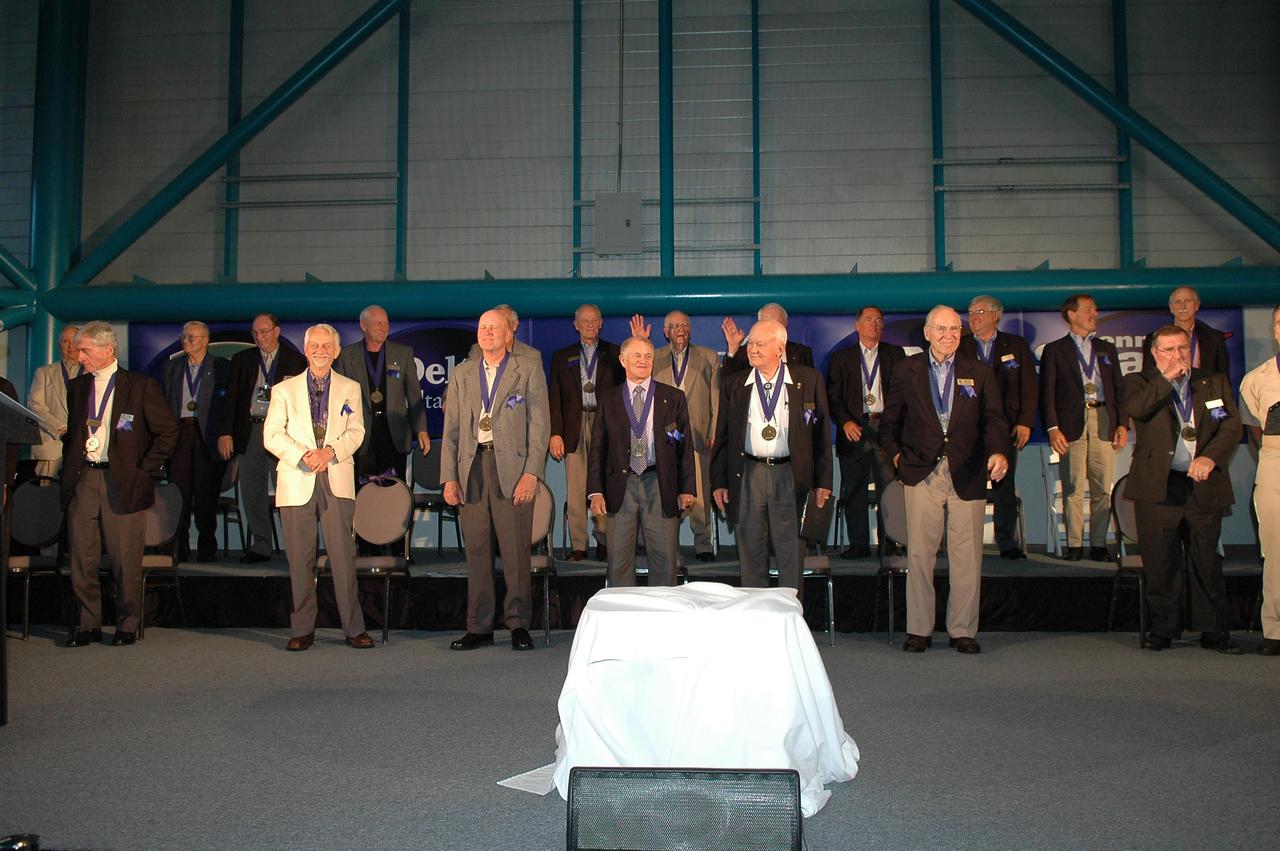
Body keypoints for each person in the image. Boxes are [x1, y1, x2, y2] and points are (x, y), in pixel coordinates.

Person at [880, 306, 1009, 654]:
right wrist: (896, 457)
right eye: (941, 329)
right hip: (921, 472)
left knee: (967, 556)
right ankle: (919, 630)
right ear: (926, 332)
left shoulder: (978, 372)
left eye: (955, 328)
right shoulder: (905, 371)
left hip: (967, 470)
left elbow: (995, 420)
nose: (948, 335)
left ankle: (962, 630)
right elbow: (888, 423)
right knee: (921, 555)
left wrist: (999, 452)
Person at [1124, 324, 1242, 654]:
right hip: (1158, 487)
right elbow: (1137, 410)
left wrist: (1209, 458)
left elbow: (1230, 426)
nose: (1178, 356)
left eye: (1183, 349)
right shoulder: (1140, 381)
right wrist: (1167, 379)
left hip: (1203, 484)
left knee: (1206, 561)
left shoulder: (1212, 381)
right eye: (1170, 350)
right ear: (1154, 353)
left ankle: (1213, 630)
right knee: (1161, 563)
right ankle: (1163, 629)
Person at [62, 321, 178, 647]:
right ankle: (88, 624)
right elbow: (73, 434)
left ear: (107, 349)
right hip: (84, 479)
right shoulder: (78, 387)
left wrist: (144, 468)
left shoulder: (139, 385)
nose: (79, 354)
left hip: (124, 481)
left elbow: (168, 431)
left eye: (85, 349)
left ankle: (128, 623)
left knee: (125, 559)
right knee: (81, 558)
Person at [442, 309, 550, 651]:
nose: (487, 332)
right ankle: (479, 626)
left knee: (516, 552)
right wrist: (448, 477)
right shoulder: (461, 374)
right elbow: (452, 430)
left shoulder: (527, 368)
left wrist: (532, 472)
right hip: (471, 469)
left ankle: (518, 624)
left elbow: (540, 425)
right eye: (482, 327)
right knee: (476, 551)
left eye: (494, 328)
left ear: (509, 335)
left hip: (514, 470)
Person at [263, 324, 374, 651]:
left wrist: (331, 452)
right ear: (306, 349)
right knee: (300, 560)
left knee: (343, 557)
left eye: (327, 346)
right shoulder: (283, 390)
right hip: (298, 478)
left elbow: (357, 431)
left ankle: (354, 629)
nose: (321, 350)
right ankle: (302, 630)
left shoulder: (351, 388)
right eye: (315, 345)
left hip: (336, 477)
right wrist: (304, 455)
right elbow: (271, 435)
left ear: (337, 351)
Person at [711, 318, 832, 593]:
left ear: (780, 348)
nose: (751, 349)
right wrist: (718, 481)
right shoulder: (735, 383)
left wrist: (823, 482)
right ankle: (757, 621)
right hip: (749, 475)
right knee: (751, 551)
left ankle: (790, 619)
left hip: (791, 475)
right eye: (750, 343)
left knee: (791, 552)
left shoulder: (808, 380)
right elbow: (723, 436)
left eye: (759, 344)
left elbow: (821, 436)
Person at [587, 336, 695, 586]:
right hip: (619, 486)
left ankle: (663, 617)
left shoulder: (673, 397)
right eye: (637, 356)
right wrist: (595, 491)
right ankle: (623, 618)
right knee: (619, 559)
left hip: (660, 482)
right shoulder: (608, 398)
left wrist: (687, 488)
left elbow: (685, 446)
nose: (643, 361)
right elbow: (598, 448)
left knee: (664, 558)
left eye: (648, 356)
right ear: (623, 360)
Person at [1040, 294, 1127, 561]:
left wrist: (1122, 423)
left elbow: (1119, 389)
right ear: (1071, 314)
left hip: (1103, 420)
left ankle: (1099, 543)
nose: (1094, 313)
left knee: (1102, 488)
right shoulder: (1055, 350)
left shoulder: (1106, 348)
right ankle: (1075, 545)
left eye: (1095, 309)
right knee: (1073, 487)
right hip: (1070, 424)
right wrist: (1053, 428)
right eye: (1089, 309)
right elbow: (1048, 392)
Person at [631, 310, 721, 561]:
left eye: (684, 325)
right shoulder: (654, 357)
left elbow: (716, 399)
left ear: (690, 329)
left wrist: (714, 431)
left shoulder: (708, 357)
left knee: (700, 492)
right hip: (663, 436)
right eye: (674, 326)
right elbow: (639, 384)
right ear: (665, 332)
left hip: (698, 434)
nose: (680, 330)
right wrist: (642, 343)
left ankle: (703, 542)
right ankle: (663, 542)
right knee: (665, 489)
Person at [217, 313, 307, 563]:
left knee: (287, 490)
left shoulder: (296, 360)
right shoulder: (242, 360)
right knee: (252, 489)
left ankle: (295, 547)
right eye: (255, 333)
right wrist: (226, 432)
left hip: (284, 433)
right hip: (252, 430)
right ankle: (261, 544)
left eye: (264, 332)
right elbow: (231, 399)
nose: (259, 337)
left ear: (277, 331)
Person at [959, 295, 1037, 559]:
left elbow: (1028, 387)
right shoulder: (961, 346)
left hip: (1004, 428)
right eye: (970, 313)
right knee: (971, 486)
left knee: (1004, 486)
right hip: (968, 430)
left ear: (996, 315)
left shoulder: (1015, 345)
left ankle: (1006, 541)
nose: (974, 317)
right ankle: (969, 543)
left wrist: (1025, 422)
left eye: (980, 311)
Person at [826, 306, 906, 559]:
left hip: (886, 429)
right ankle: (858, 544)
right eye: (869, 319)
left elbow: (904, 395)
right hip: (855, 429)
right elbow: (832, 398)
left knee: (889, 490)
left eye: (879, 320)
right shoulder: (842, 358)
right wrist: (845, 422)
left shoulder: (896, 354)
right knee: (853, 490)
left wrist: (893, 425)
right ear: (857, 325)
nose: (874, 324)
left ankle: (889, 544)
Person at [549, 304, 623, 561]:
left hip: (606, 427)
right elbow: (555, 397)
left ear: (601, 323)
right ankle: (578, 545)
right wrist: (555, 433)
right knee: (576, 487)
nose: (590, 325)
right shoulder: (562, 356)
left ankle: (604, 541)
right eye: (585, 321)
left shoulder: (615, 353)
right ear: (576, 324)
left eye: (594, 321)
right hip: (573, 426)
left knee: (603, 484)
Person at [334, 305, 429, 485]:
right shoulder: (346, 356)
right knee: (363, 490)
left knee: (394, 489)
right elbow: (339, 399)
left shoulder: (403, 353)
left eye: (385, 323)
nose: (383, 327)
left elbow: (414, 394)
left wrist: (421, 429)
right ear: (363, 325)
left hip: (394, 434)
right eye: (377, 323)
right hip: (360, 435)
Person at [161, 321, 229, 562]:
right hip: (179, 433)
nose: (187, 341)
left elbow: (228, 406)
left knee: (205, 493)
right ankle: (178, 545)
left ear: (205, 340)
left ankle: (207, 546)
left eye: (193, 337)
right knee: (178, 492)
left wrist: (225, 433)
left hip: (207, 436)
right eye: (185, 337)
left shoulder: (221, 367)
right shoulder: (172, 368)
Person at [1240, 304, 1280, 656]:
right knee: (1276, 549)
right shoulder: (1257, 379)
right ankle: (1275, 630)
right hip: (1275, 460)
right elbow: (1254, 429)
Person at [27, 325, 81, 478]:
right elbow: (35, 406)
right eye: (65, 342)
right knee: (46, 498)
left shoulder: (92, 372)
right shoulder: (44, 373)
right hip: (52, 445)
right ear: (59, 345)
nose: (70, 346)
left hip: (86, 447)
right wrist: (61, 428)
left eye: (74, 341)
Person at [1141, 286, 1230, 376]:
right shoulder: (1153, 339)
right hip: (1166, 388)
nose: (1182, 306)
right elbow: (1147, 377)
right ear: (1171, 308)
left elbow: (1223, 378)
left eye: (1187, 301)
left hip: (1204, 389)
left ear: (1197, 305)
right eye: (1178, 302)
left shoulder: (1215, 338)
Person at [720, 302, 814, 379]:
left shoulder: (802, 353)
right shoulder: (746, 354)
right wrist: (733, 349)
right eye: (765, 323)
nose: (770, 328)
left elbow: (810, 388)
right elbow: (727, 384)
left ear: (786, 326)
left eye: (776, 323)